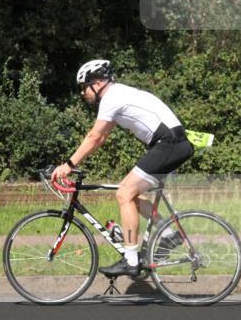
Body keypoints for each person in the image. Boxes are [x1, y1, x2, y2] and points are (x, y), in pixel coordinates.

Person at [52, 60, 194, 277]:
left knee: (124, 193)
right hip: (172, 144)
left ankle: (131, 260)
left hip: (169, 144)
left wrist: (68, 165)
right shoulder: (118, 95)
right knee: (132, 196)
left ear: (98, 84)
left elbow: (94, 136)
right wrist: (74, 163)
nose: (83, 93)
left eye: (84, 87)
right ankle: (167, 235)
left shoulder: (111, 97)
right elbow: (101, 138)